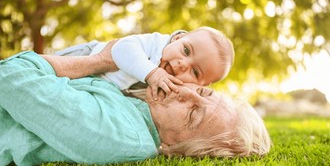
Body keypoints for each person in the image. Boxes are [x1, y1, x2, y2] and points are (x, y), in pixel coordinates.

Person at [0, 46, 270, 166]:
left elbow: (5, 76)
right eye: (203, 91)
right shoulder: (140, 98)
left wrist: (101, 60)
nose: (188, 95)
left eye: (194, 115)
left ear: (176, 147)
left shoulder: (121, 136)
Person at [55, 27, 235, 100]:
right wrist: (151, 73)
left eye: (195, 72)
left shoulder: (173, 87)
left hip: (93, 86)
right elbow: (120, 49)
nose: (183, 64)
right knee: (43, 66)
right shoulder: (155, 44)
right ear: (177, 38)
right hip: (87, 56)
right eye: (186, 51)